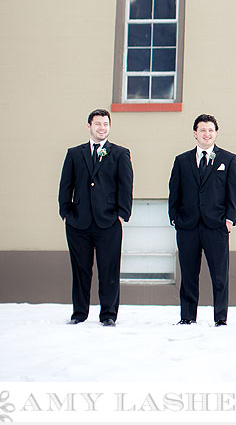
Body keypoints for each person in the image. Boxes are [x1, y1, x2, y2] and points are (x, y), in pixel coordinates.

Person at [57, 108, 133, 326]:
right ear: (89, 126)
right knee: (80, 270)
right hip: (78, 223)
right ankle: (79, 313)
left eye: (106, 124)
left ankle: (108, 314)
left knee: (109, 269)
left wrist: (121, 215)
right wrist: (66, 213)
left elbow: (125, 186)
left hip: (108, 222)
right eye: (98, 124)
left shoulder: (120, 153)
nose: (102, 128)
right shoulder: (74, 153)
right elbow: (66, 186)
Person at [168, 114, 236, 326]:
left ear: (216, 133)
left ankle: (220, 317)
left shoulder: (229, 160)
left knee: (220, 275)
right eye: (202, 130)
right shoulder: (182, 160)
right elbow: (174, 190)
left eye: (210, 130)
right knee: (189, 274)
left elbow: (235, 191)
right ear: (195, 133)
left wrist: (230, 219)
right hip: (188, 225)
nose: (207, 134)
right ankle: (187, 317)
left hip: (217, 225)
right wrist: (174, 218)